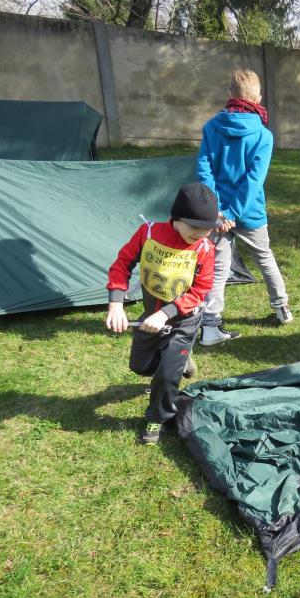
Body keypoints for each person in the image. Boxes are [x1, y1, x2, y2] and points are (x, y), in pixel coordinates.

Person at [105, 183, 220, 444]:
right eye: (194, 227)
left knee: (167, 374)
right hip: (150, 317)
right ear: (176, 218)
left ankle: (158, 416)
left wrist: (167, 313)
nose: (201, 234)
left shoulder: (204, 249)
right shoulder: (148, 234)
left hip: (184, 320)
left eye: (207, 229)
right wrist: (115, 303)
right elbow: (122, 264)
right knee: (140, 366)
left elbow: (200, 291)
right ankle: (180, 362)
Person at [197, 69, 292, 346]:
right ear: (258, 98)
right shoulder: (264, 135)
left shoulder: (212, 127)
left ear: (230, 96)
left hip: (220, 215)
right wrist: (227, 213)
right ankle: (281, 308)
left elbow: (205, 171)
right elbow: (254, 180)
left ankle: (211, 326)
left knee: (218, 268)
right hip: (244, 213)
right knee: (264, 258)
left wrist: (219, 211)